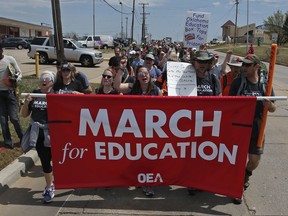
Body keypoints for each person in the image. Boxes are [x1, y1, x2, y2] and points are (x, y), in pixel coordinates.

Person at [229, 54, 276, 204]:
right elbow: (229, 105)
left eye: (247, 65)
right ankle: (238, 188)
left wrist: (270, 106)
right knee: (237, 160)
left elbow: (274, 108)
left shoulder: (265, 85)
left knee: (254, 160)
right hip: (240, 127)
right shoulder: (238, 83)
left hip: (257, 128)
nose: (243, 68)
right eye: (243, 64)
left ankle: (245, 176)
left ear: (256, 66)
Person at [114, 65, 162, 196]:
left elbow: (164, 109)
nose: (144, 75)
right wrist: (120, 70)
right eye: (140, 73)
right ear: (137, 77)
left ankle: (148, 183)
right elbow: (117, 86)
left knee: (149, 157)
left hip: (151, 130)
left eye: (146, 73)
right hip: (135, 129)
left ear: (150, 75)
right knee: (137, 156)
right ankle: (139, 179)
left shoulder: (156, 91)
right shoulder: (131, 87)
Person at [21, 70, 55, 203]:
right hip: (39, 134)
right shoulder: (35, 94)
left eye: (46, 79)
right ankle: (49, 186)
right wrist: (26, 103)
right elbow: (24, 115)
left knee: (57, 161)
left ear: (51, 82)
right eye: (42, 79)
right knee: (45, 161)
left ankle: (54, 180)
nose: (43, 81)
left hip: (53, 133)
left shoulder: (55, 95)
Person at [0, 44, 23, 149]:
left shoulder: (9, 59)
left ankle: (23, 139)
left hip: (10, 93)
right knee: (3, 119)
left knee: (14, 118)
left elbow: (19, 73)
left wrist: (15, 79)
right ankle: (8, 143)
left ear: (1, 50)